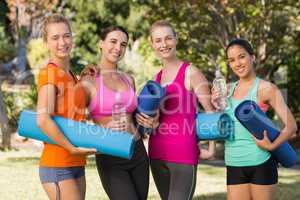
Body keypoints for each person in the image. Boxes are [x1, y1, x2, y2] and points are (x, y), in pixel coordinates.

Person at [135, 20, 215, 200]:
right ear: (152, 44)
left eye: (168, 38)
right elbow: (155, 121)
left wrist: (211, 148)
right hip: (156, 154)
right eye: (158, 40)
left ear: (176, 39)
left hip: (183, 153)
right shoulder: (156, 78)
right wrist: (150, 122)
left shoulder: (190, 72)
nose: (164, 44)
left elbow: (210, 112)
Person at [211, 38, 298, 200]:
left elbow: (291, 126)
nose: (237, 63)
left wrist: (272, 145)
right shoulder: (226, 90)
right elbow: (222, 127)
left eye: (241, 56)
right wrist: (216, 106)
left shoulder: (267, 89)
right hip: (234, 162)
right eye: (232, 60)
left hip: (261, 162)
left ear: (253, 57)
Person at [80, 26, 149, 200]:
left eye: (123, 44)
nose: (118, 48)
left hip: (138, 151)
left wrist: (148, 121)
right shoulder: (88, 80)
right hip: (109, 155)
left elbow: (134, 117)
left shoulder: (128, 79)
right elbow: (76, 120)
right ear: (101, 43)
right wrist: (103, 129)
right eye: (113, 41)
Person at [36, 14, 96, 200]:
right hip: (58, 162)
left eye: (66, 35)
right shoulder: (50, 74)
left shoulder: (70, 75)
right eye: (55, 38)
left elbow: (74, 113)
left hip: (76, 162)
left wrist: (85, 79)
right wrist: (71, 148)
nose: (62, 42)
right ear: (46, 43)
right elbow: (43, 119)